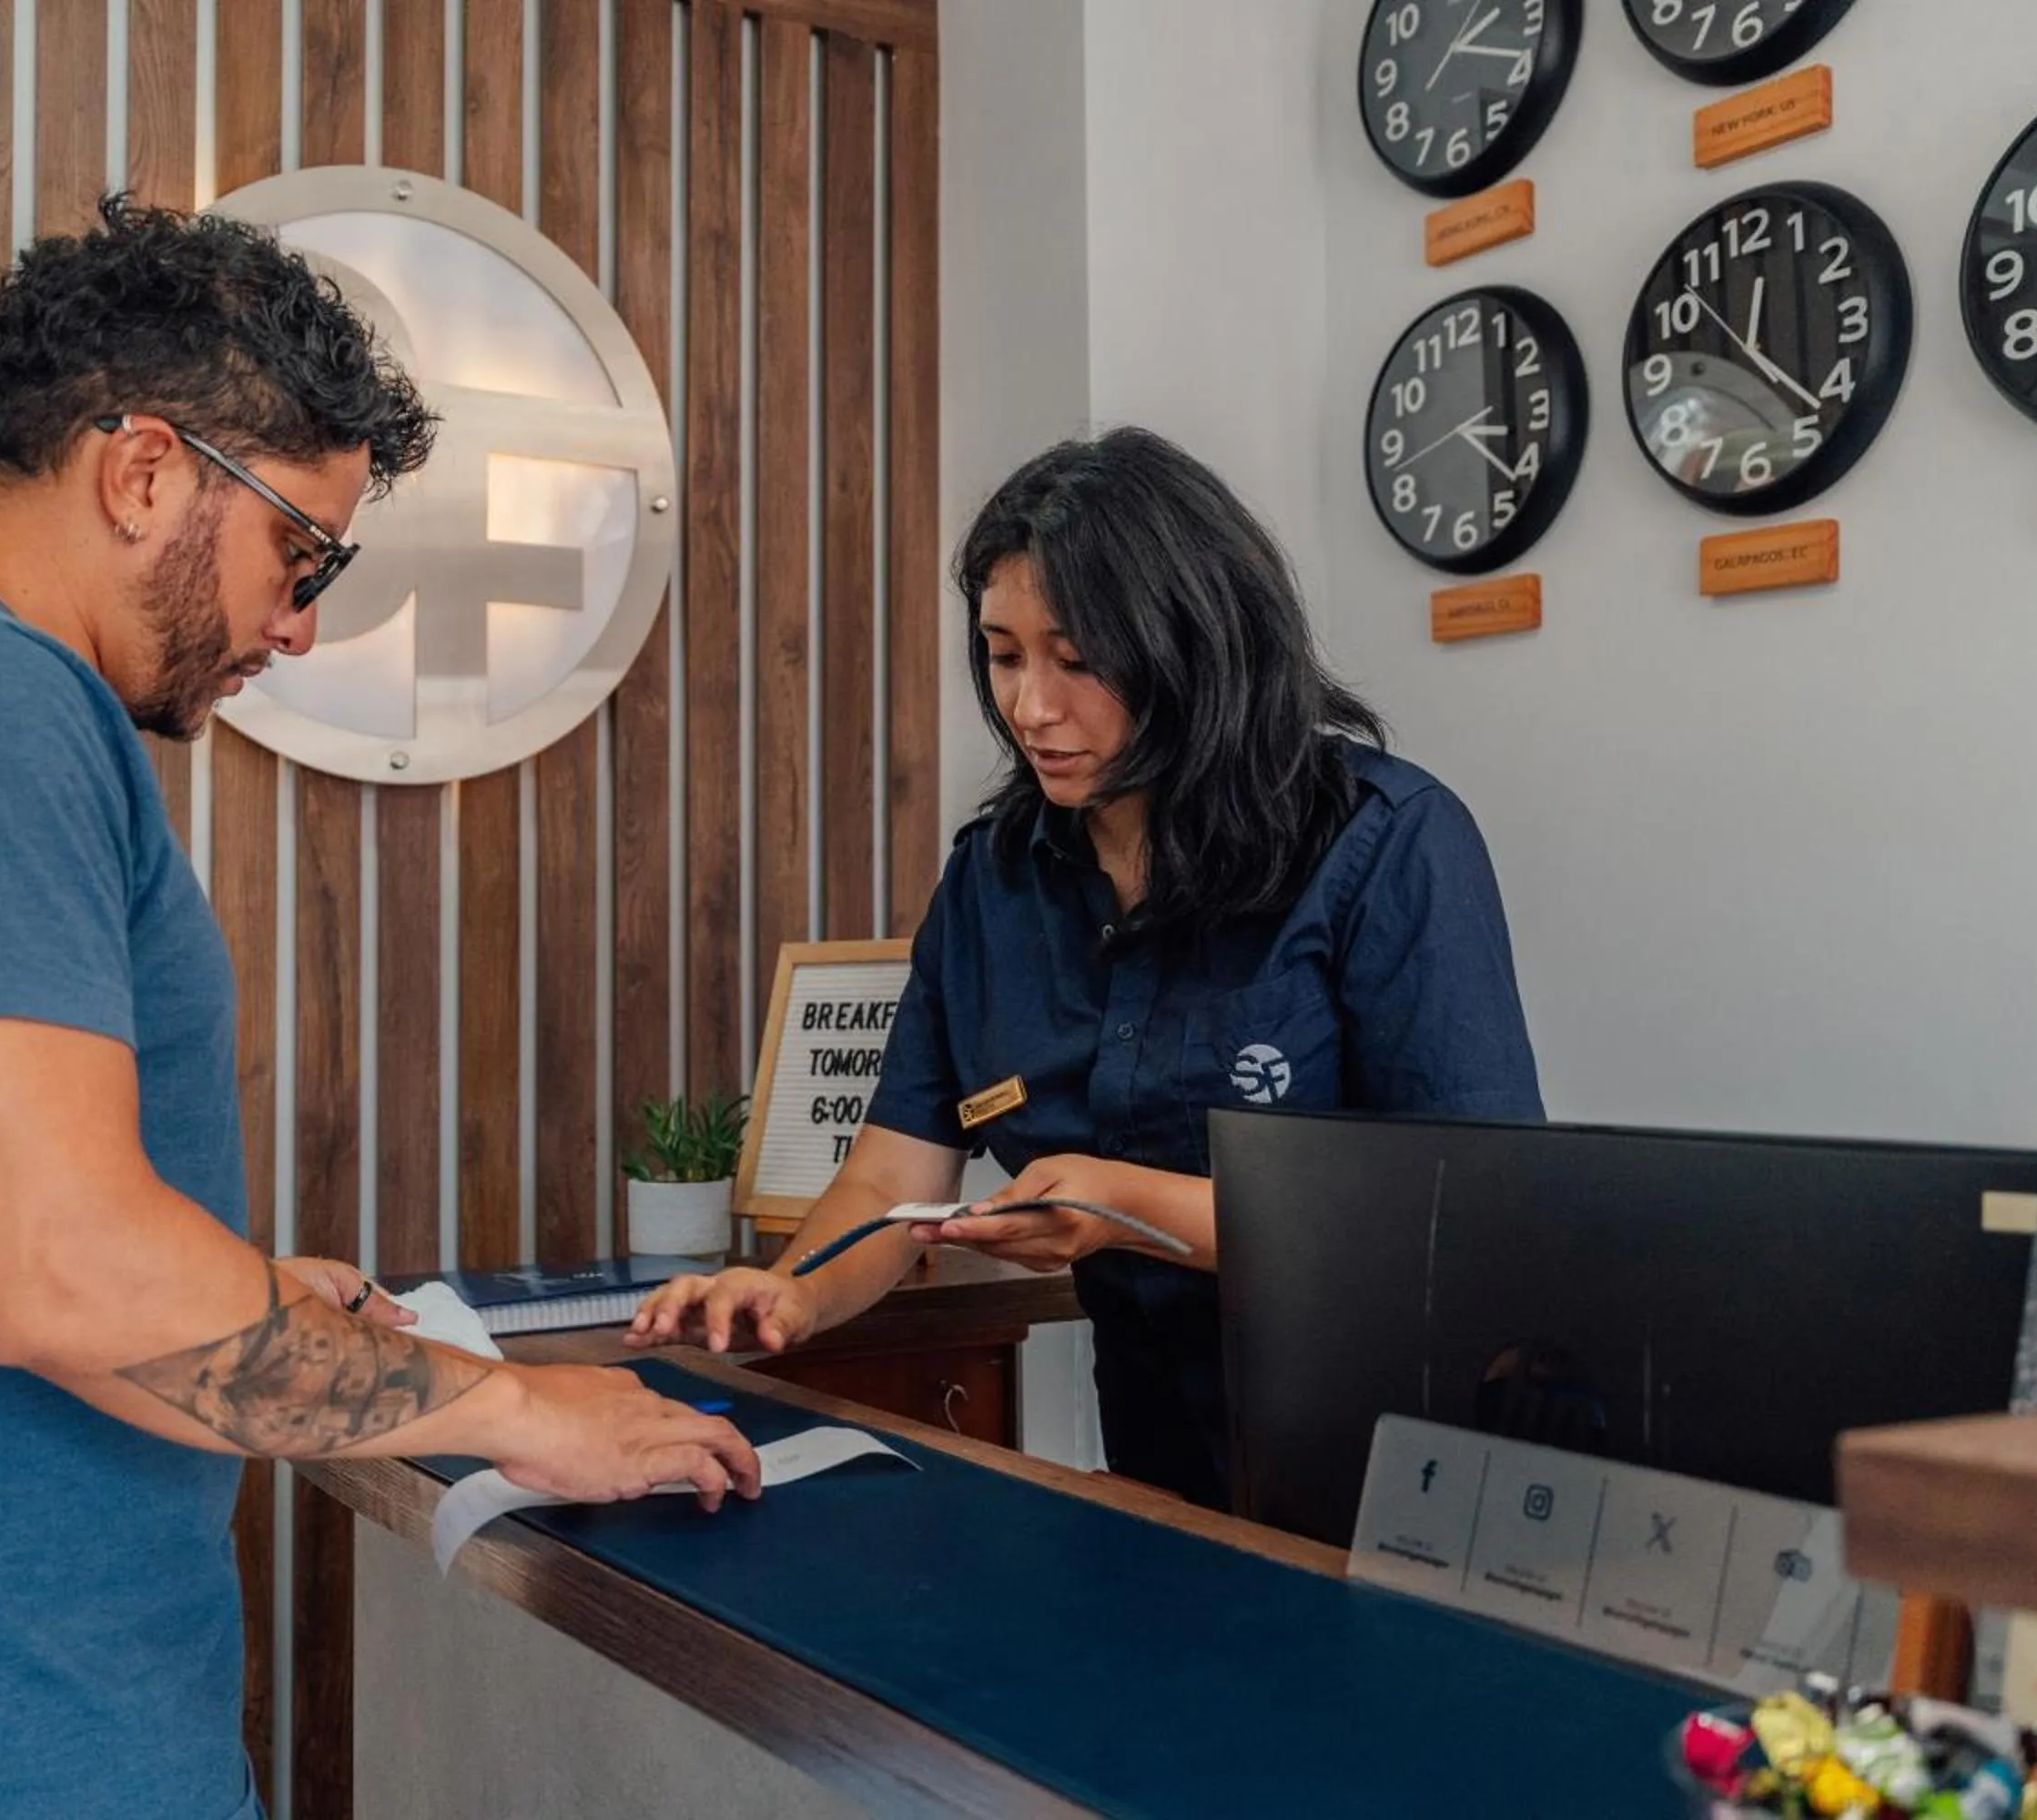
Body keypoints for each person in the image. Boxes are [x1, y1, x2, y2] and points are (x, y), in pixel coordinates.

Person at [0, 196, 758, 1820]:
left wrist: (235, 1289)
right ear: (145, 470)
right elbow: (56, 1272)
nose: (297, 625)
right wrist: (518, 1414)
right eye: (301, 552)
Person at [626, 426, 1541, 1511]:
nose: (1031, 708)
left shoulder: (1388, 842)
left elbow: (1464, 1221)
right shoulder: (993, 879)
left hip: (1395, 1474)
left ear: (1194, 644)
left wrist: (1125, 1204)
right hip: (1163, 1472)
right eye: (1005, 655)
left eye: (1078, 659)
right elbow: (891, 1178)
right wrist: (786, 1294)